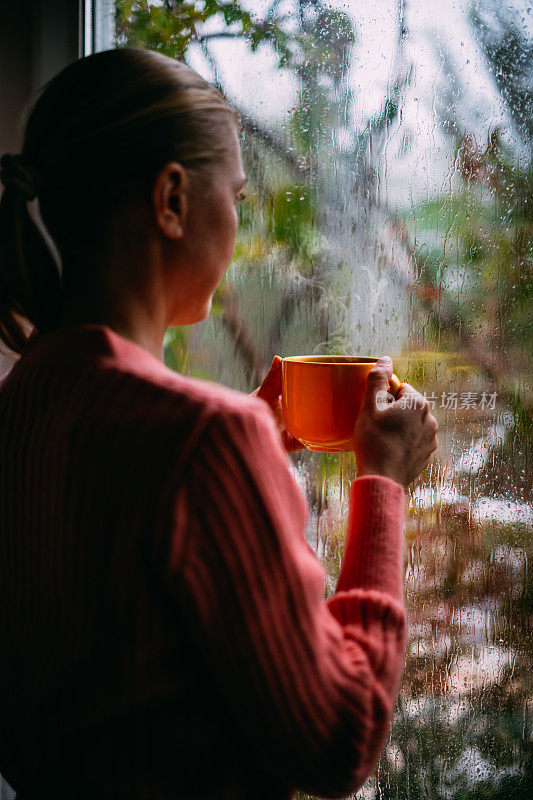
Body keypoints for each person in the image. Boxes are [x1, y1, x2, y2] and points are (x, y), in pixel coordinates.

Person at [0, 48, 438, 799]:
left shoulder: (26, 397)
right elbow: (339, 741)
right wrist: (383, 482)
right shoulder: (202, 438)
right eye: (234, 195)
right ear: (170, 200)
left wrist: (245, 455)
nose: (238, 223)